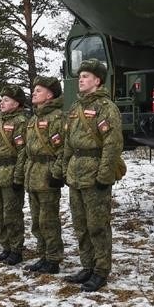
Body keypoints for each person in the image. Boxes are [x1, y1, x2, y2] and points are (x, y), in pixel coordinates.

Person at [58, 58, 123, 292]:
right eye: (80, 76)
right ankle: (87, 266)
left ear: (97, 80)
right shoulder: (75, 108)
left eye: (85, 76)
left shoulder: (106, 107)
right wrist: (64, 168)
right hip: (76, 173)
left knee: (98, 226)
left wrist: (105, 175)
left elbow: (113, 144)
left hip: (95, 173)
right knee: (80, 225)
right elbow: (67, 142)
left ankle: (101, 270)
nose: (80, 80)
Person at [23, 76, 65, 274]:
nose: (33, 93)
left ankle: (53, 258)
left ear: (49, 95)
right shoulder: (33, 119)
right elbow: (27, 149)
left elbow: (63, 149)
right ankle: (43, 255)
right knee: (36, 220)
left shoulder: (57, 118)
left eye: (38, 90)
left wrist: (56, 174)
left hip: (47, 174)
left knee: (49, 220)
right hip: (33, 175)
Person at [0, 84, 28, 265]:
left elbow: (22, 152)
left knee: (12, 215)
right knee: (1, 214)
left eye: (6, 100)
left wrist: (18, 177)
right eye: (1, 99)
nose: (1, 103)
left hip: (10, 174)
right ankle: (6, 247)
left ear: (17, 103)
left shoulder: (20, 122)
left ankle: (16, 249)